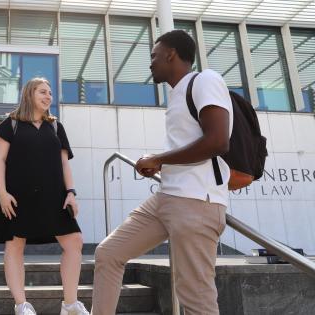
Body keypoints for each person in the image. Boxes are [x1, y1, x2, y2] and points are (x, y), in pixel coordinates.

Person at [91, 30, 233, 315]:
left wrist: (158, 159)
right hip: (167, 196)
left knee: (194, 294)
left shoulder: (205, 80)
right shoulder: (176, 94)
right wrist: (159, 163)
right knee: (108, 253)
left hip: (197, 200)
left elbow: (218, 140)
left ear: (171, 55)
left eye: (154, 56)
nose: (150, 63)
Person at [0, 77, 89, 315]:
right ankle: (21, 305)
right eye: (42, 92)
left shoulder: (55, 126)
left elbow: (64, 164)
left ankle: (70, 304)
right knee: (15, 245)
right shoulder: (10, 124)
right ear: (29, 95)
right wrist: (2, 193)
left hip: (54, 195)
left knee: (74, 241)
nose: (48, 97)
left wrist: (71, 193)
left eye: (50, 93)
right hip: (16, 196)